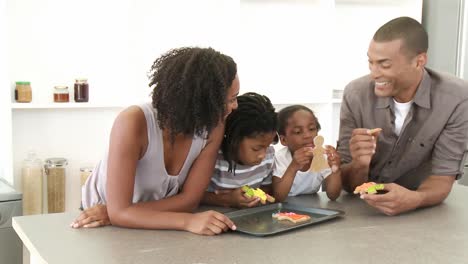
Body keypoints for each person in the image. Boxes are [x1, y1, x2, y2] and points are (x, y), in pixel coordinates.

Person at [70, 47, 240, 235]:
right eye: (231, 99)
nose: (235, 106)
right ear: (202, 100)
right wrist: (188, 221)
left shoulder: (213, 127)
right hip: (95, 221)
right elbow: (119, 213)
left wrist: (124, 212)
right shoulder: (133, 122)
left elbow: (190, 200)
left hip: (150, 220)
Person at [338, 16, 468, 216]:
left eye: (384, 65)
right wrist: (359, 163)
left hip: (422, 211)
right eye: (371, 62)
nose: (374, 73)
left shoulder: (456, 99)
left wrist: (414, 199)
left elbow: (442, 177)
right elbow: (347, 184)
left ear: (419, 61)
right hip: (361, 211)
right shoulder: (355, 94)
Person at [201, 92, 278, 208]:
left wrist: (257, 196)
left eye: (267, 146)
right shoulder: (214, 159)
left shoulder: (269, 156)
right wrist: (226, 200)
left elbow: (267, 188)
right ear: (234, 139)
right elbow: (196, 195)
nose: (262, 155)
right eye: (256, 149)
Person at [272, 105, 342, 202]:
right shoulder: (280, 158)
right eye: (298, 132)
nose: (307, 135)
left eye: (312, 129)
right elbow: (278, 197)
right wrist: (293, 166)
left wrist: (335, 169)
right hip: (285, 210)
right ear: (284, 140)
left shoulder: (322, 157)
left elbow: (333, 195)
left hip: (313, 207)